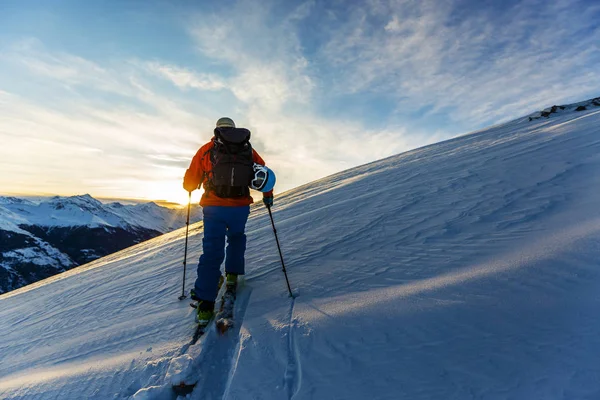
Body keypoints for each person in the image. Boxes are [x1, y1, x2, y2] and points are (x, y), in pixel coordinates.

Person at [183, 117, 275, 325]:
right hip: (240, 206)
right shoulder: (248, 150)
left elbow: (191, 181)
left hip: (214, 207)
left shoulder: (207, 149)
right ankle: (232, 274)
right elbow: (264, 173)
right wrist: (267, 195)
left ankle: (206, 303)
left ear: (217, 130)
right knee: (236, 237)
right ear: (234, 130)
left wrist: (189, 186)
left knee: (212, 250)